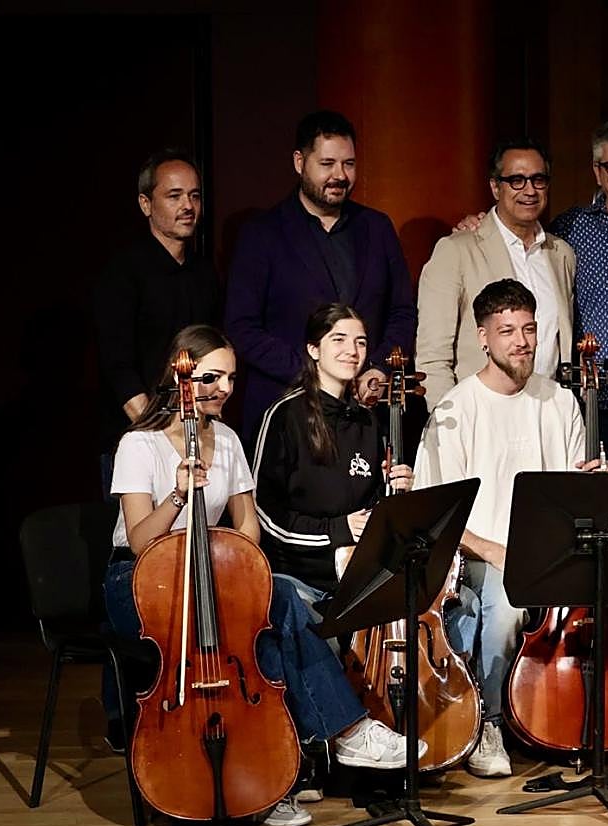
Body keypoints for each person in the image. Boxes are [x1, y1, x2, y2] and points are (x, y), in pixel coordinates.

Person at [103, 324, 419, 826]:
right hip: (142, 580)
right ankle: (344, 736)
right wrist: (181, 494)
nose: (224, 389)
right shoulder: (138, 444)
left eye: (230, 378)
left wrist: (241, 572)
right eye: (211, 377)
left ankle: (275, 778)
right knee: (286, 603)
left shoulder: (226, 439)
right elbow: (142, 542)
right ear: (180, 376)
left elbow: (247, 524)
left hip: (210, 570)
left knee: (273, 617)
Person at [414, 279, 608, 778]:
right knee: (506, 615)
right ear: (483, 338)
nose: (521, 341)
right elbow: (437, 514)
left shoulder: (560, 401)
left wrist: (603, 484)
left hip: (560, 554)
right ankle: (490, 724)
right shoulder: (456, 411)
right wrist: (500, 551)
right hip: (487, 558)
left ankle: (586, 714)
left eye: (528, 328)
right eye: (507, 331)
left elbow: (577, 490)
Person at [224, 110, 416, 444]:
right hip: (288, 414)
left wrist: (375, 367)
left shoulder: (377, 228)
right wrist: (317, 374)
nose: (340, 175)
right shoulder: (263, 234)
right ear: (300, 162)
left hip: (364, 415)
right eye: (327, 164)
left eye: (349, 164)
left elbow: (402, 312)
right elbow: (242, 327)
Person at [252, 303, 413, 600]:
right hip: (301, 578)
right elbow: (264, 510)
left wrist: (393, 493)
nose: (352, 350)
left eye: (360, 342)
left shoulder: (367, 420)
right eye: (338, 339)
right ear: (314, 349)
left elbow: (373, 508)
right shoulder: (285, 415)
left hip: (359, 573)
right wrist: (338, 530)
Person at [416, 138, 575, 410]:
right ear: (494, 187)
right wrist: (447, 421)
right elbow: (433, 356)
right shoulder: (456, 251)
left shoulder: (561, 253)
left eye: (538, 180)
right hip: (479, 414)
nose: (529, 190)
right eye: (516, 180)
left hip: (547, 412)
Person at [93, 150, 220, 451]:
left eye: (194, 196)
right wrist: (158, 435)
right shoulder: (122, 272)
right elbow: (117, 366)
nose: (188, 206)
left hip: (195, 432)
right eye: (174, 196)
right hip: (136, 436)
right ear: (146, 204)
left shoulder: (205, 272)